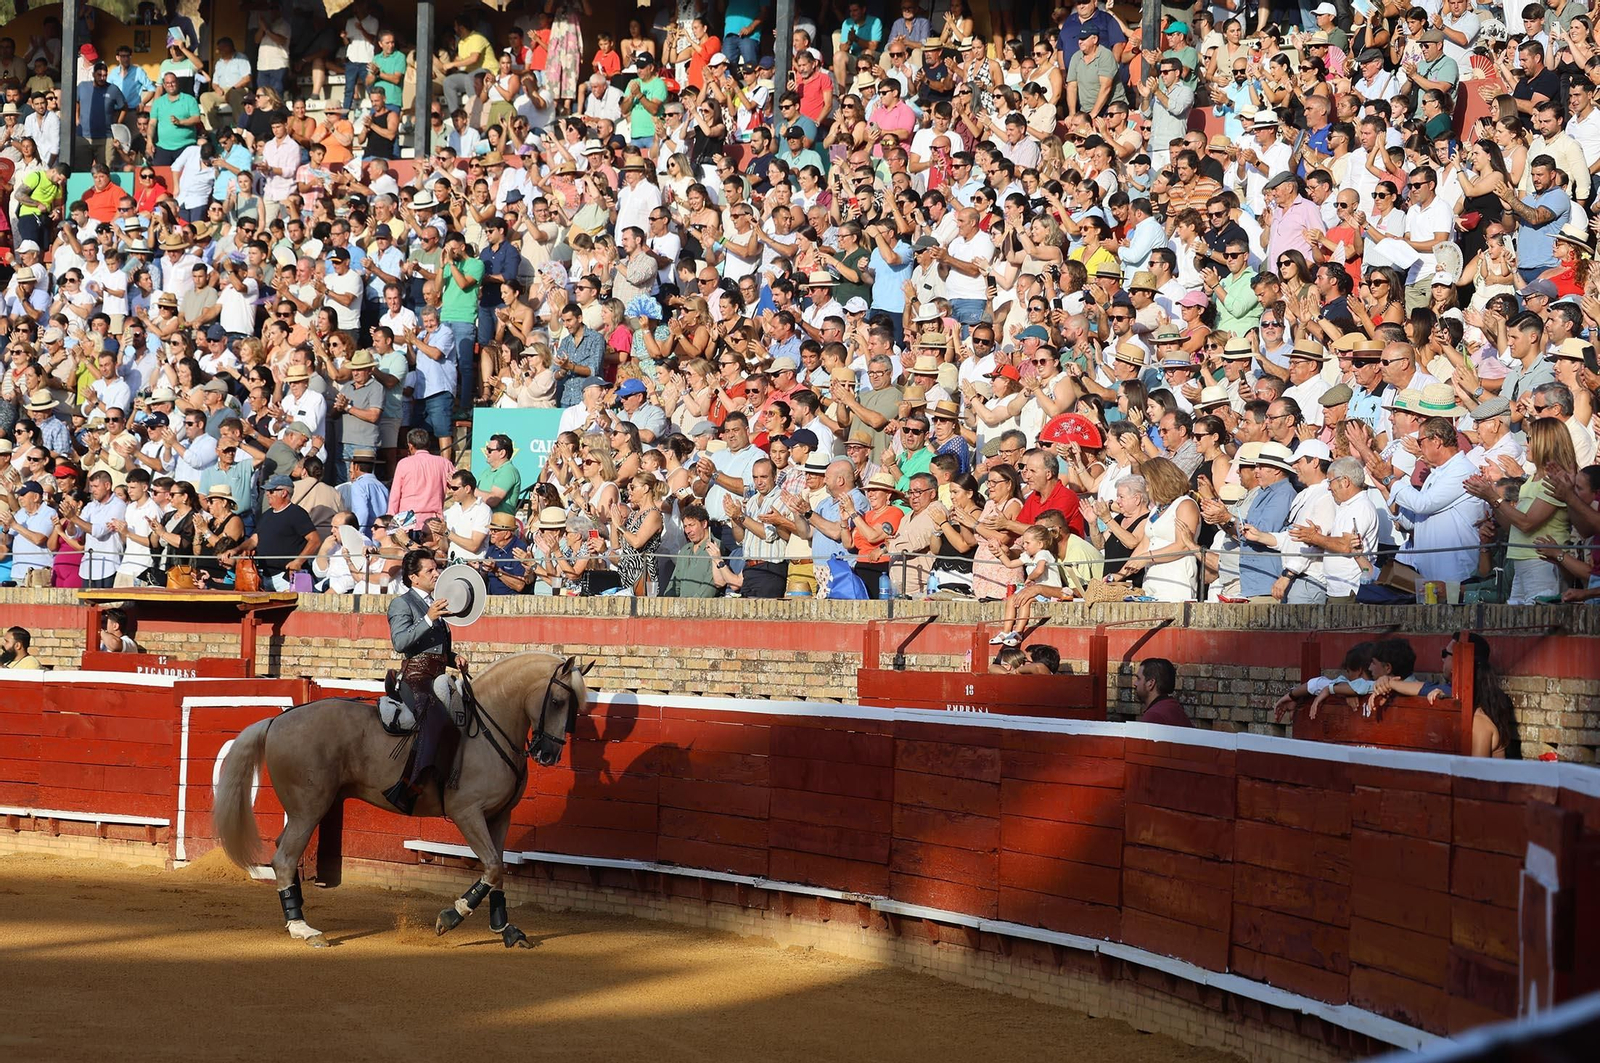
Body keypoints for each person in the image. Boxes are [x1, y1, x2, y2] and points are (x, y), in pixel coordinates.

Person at [381, 549, 471, 815]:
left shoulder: (436, 603)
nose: (437, 573)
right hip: (415, 678)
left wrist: (454, 658)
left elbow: (434, 648)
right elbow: (400, 643)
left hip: (438, 676)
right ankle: (410, 787)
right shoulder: (402, 603)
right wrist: (429, 617)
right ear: (413, 577)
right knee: (434, 720)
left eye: (436, 568)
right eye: (430, 570)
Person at [1134, 657, 1191, 726]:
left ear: (1151, 683)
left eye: (1138, 679)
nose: (1135, 683)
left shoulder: (1154, 716)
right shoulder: (1172, 707)